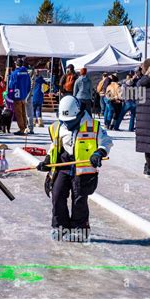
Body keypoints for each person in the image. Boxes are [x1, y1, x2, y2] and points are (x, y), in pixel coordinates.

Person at [37, 95, 113, 242]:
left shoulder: (93, 126)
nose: (67, 124)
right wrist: (47, 161)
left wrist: (99, 152)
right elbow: (54, 146)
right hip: (63, 166)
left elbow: (107, 141)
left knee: (79, 199)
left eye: (70, 121)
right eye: (64, 121)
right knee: (57, 195)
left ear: (78, 114)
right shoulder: (58, 126)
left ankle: (80, 229)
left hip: (82, 170)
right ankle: (60, 226)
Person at [8, 58, 31, 135]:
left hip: (17, 96)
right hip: (24, 96)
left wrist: (10, 95)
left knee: (19, 114)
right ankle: (25, 127)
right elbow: (29, 85)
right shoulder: (26, 73)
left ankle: (22, 129)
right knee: (24, 113)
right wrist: (25, 93)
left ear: (16, 64)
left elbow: (11, 85)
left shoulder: (14, 73)